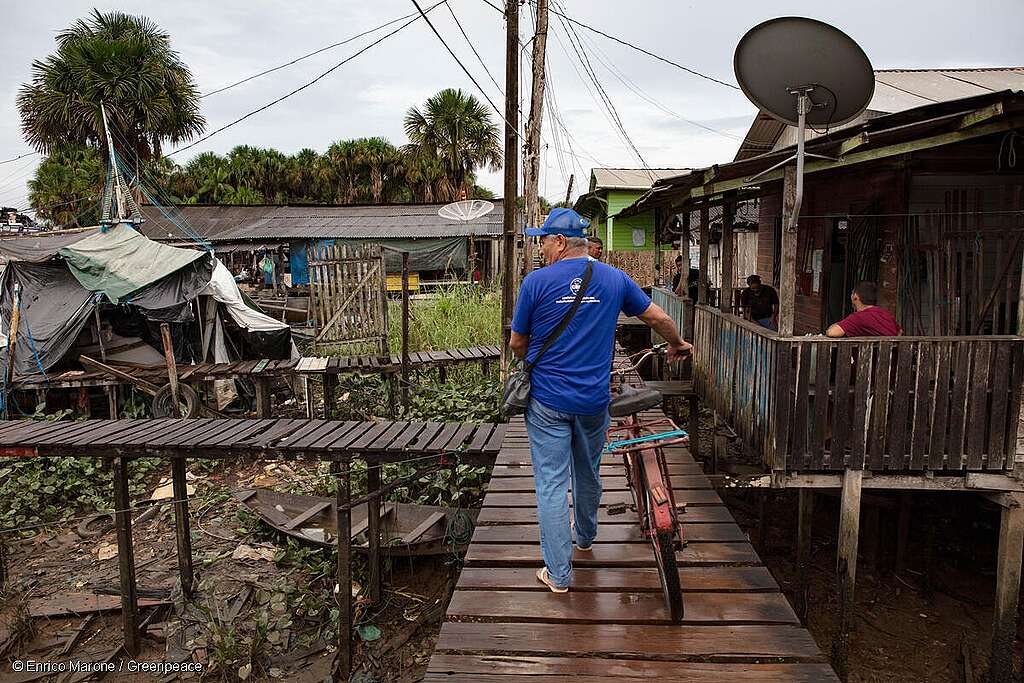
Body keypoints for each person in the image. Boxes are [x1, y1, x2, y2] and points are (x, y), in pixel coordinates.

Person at [509, 208, 694, 593]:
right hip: (594, 401)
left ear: (559, 242)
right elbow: (658, 318)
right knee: (588, 471)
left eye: (543, 240)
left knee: (551, 485)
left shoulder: (535, 283)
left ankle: (558, 576)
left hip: (548, 402)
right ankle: (586, 538)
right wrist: (677, 344)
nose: (541, 247)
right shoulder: (613, 278)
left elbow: (516, 343)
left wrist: (532, 353)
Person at [826, 281, 901, 337]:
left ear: (855, 297)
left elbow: (832, 332)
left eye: (852, 293)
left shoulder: (858, 317)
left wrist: (836, 324)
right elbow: (899, 332)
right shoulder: (885, 313)